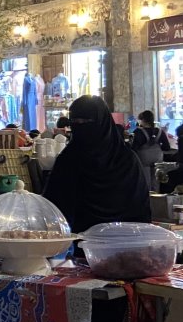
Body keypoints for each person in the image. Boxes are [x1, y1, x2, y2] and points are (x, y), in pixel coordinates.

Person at [43, 96, 150, 233]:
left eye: (87, 122)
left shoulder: (127, 161)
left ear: (102, 124)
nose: (81, 126)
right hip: (82, 242)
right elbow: (53, 208)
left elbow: (140, 207)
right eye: (75, 122)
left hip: (125, 240)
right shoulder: (69, 160)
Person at [131, 109, 170, 188]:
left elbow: (134, 148)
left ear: (143, 120)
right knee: (156, 181)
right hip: (158, 158)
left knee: (146, 182)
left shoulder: (138, 132)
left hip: (144, 159)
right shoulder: (160, 131)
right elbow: (167, 147)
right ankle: (156, 195)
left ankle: (147, 195)